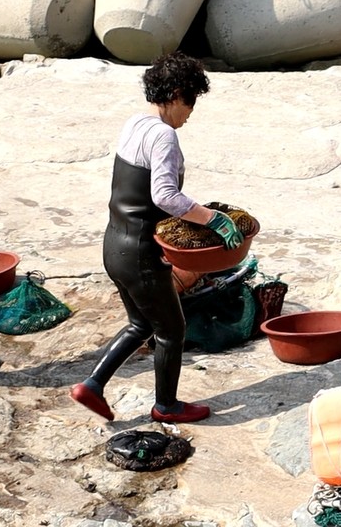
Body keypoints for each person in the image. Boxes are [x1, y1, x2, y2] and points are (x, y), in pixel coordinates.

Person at [69, 52, 244, 424]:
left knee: (141, 324)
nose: (190, 113)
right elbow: (165, 196)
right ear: (177, 93)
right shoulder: (164, 136)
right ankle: (166, 406)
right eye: (191, 102)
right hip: (141, 254)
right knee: (172, 329)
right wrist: (214, 219)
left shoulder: (134, 124)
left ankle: (92, 386)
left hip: (114, 245)